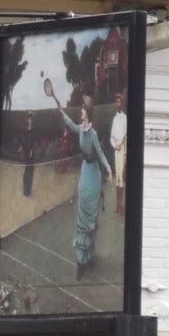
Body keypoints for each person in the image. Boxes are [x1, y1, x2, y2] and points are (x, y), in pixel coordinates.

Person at [57, 95, 112, 280]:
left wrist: (109, 168)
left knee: (91, 218)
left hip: (94, 175)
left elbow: (101, 154)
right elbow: (71, 125)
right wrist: (60, 110)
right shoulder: (80, 129)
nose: (80, 111)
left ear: (87, 112)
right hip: (85, 172)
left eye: (82, 109)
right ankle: (81, 262)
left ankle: (88, 257)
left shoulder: (93, 134)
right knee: (82, 216)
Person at [110, 93, 127, 215]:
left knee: (122, 177)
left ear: (122, 104)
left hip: (122, 150)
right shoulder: (115, 118)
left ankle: (121, 207)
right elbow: (112, 136)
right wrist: (114, 145)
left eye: (120, 102)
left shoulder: (125, 118)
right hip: (116, 150)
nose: (118, 104)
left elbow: (125, 134)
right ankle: (117, 206)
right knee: (117, 178)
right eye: (117, 102)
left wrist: (121, 144)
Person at [21, 111, 35, 197]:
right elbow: (24, 141)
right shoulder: (25, 129)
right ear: (27, 119)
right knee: (27, 172)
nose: (30, 120)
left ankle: (28, 190)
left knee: (31, 172)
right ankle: (25, 190)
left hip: (32, 154)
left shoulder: (33, 129)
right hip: (27, 154)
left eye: (31, 118)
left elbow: (33, 142)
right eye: (29, 118)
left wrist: (32, 151)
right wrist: (22, 148)